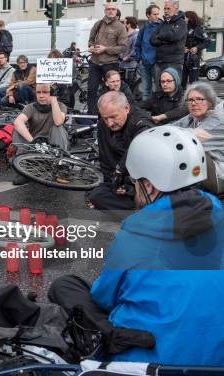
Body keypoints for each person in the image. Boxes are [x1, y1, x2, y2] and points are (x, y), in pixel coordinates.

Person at [49, 125, 224, 366]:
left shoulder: (134, 238)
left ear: (150, 186)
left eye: (135, 183)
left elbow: (104, 298)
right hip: (216, 358)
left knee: (66, 286)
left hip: (148, 358)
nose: (134, 192)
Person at [87, 91, 153, 210]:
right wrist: (113, 185)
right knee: (95, 195)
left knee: (98, 196)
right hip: (120, 179)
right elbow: (105, 158)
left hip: (144, 182)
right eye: (105, 118)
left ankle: (141, 201)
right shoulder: (103, 124)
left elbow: (138, 153)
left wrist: (122, 177)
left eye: (113, 117)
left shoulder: (142, 123)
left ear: (126, 108)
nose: (110, 123)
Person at [172, 81, 224, 194]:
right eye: (190, 100)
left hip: (220, 176)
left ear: (210, 101)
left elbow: (188, 139)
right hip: (209, 169)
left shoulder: (218, 119)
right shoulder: (197, 114)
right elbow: (175, 126)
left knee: (188, 150)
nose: (194, 103)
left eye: (199, 99)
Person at [11, 83, 68, 186]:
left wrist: (54, 100)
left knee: (57, 126)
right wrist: (32, 141)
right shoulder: (31, 107)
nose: (41, 96)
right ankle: (23, 169)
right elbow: (18, 122)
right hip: (35, 143)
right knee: (17, 129)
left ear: (52, 93)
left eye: (45, 92)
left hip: (53, 142)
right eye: (38, 92)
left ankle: (60, 165)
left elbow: (59, 121)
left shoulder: (60, 106)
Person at [87, 3, 127, 115]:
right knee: (91, 90)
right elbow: (90, 40)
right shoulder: (98, 24)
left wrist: (105, 49)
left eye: (113, 9)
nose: (110, 11)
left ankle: (112, 112)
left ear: (116, 11)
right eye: (108, 9)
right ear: (105, 11)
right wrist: (91, 46)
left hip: (110, 63)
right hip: (95, 62)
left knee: (112, 90)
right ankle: (92, 115)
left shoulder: (120, 27)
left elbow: (123, 47)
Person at [150, 0, 187, 87]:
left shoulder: (181, 23)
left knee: (173, 89)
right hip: (160, 62)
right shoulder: (162, 23)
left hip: (174, 62)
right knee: (159, 90)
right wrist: (165, 39)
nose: (166, 11)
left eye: (168, 8)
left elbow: (174, 36)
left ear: (176, 9)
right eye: (165, 9)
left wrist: (159, 36)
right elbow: (152, 40)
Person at [134, 4, 161, 100]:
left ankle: (157, 111)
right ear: (148, 15)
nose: (157, 16)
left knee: (159, 89)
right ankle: (145, 112)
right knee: (146, 90)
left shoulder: (162, 27)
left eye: (158, 14)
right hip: (144, 63)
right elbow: (137, 45)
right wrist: (139, 59)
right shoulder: (143, 28)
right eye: (154, 14)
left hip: (157, 63)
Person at [183, 11, 209, 88]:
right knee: (181, 82)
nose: (183, 19)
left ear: (190, 18)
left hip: (194, 58)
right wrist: (182, 48)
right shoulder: (182, 27)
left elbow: (208, 41)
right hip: (182, 58)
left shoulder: (199, 28)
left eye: (185, 17)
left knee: (194, 84)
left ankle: (194, 98)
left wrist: (197, 48)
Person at [119, 16, 139, 87]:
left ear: (129, 24)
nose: (123, 25)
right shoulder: (125, 35)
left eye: (124, 23)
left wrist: (126, 58)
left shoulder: (135, 36)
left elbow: (135, 50)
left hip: (130, 67)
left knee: (129, 88)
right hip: (122, 66)